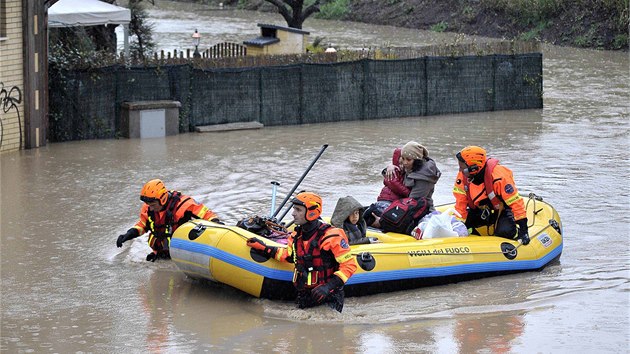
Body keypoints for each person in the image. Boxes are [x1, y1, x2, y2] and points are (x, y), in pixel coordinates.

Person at [246, 192, 357, 312]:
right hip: (305, 293)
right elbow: (288, 255)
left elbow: (349, 266)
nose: (293, 213)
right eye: (294, 209)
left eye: (298, 210)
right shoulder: (296, 235)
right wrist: (263, 247)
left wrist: (328, 287)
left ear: (311, 212)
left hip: (329, 295)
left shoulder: (332, 236)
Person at [116, 179, 221, 261]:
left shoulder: (184, 204)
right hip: (160, 253)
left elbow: (206, 214)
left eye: (153, 205)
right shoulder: (148, 208)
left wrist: (217, 222)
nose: (150, 208)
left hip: (181, 252)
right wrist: (128, 234)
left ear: (162, 199)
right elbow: (142, 225)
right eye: (148, 205)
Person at [452, 146, 530, 245]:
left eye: (462, 167)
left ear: (473, 168)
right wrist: (458, 224)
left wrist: (524, 230)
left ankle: (516, 232)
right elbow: (460, 203)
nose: (460, 169)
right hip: (478, 211)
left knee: (506, 231)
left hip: (501, 211)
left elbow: (515, 202)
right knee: (462, 227)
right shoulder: (463, 177)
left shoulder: (499, 176)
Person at [371, 141, 442, 228]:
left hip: (419, 211)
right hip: (405, 205)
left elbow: (412, 204)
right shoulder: (411, 166)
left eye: (408, 159)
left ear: (417, 160)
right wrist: (391, 166)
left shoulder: (424, 178)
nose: (404, 163)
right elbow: (396, 168)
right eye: (403, 158)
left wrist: (382, 221)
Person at [363, 147, 410, 227]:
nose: (402, 165)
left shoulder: (402, 173)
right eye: (401, 163)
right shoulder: (393, 172)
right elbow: (394, 184)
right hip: (386, 202)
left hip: (389, 203)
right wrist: (409, 193)